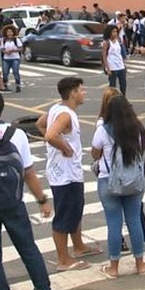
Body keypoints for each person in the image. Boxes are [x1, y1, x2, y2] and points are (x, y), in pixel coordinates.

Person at [0, 91, 55, 290]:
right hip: (13, 202)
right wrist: (42, 200)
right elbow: (28, 172)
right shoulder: (17, 134)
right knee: (28, 247)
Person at [91, 95, 145, 279]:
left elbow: (95, 154)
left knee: (113, 223)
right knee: (134, 220)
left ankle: (114, 268)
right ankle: (140, 264)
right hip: (134, 182)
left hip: (108, 182)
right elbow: (141, 152)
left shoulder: (103, 131)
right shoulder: (139, 130)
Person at [43, 77, 99, 271]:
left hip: (65, 172)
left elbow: (42, 125)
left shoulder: (57, 110)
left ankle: (79, 246)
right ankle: (63, 260)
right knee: (65, 214)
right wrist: (65, 148)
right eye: (81, 90)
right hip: (65, 175)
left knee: (75, 209)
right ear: (73, 93)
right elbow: (50, 135)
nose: (84, 93)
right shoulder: (65, 115)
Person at [102, 24, 128, 96]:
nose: (115, 33)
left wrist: (124, 64)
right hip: (112, 66)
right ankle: (111, 100)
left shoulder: (118, 41)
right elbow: (104, 56)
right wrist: (108, 68)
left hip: (120, 66)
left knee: (123, 84)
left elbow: (120, 54)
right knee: (112, 86)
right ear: (109, 32)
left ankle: (123, 99)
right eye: (113, 32)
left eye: (116, 32)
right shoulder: (107, 43)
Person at [0, 26, 22, 93]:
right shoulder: (3, 40)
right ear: (5, 33)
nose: (9, 33)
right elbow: (2, 49)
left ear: (13, 32)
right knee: (5, 73)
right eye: (8, 32)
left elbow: (21, 48)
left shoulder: (16, 40)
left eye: (11, 32)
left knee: (15, 72)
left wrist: (13, 50)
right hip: (6, 59)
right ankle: (5, 85)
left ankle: (18, 86)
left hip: (15, 58)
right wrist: (5, 52)